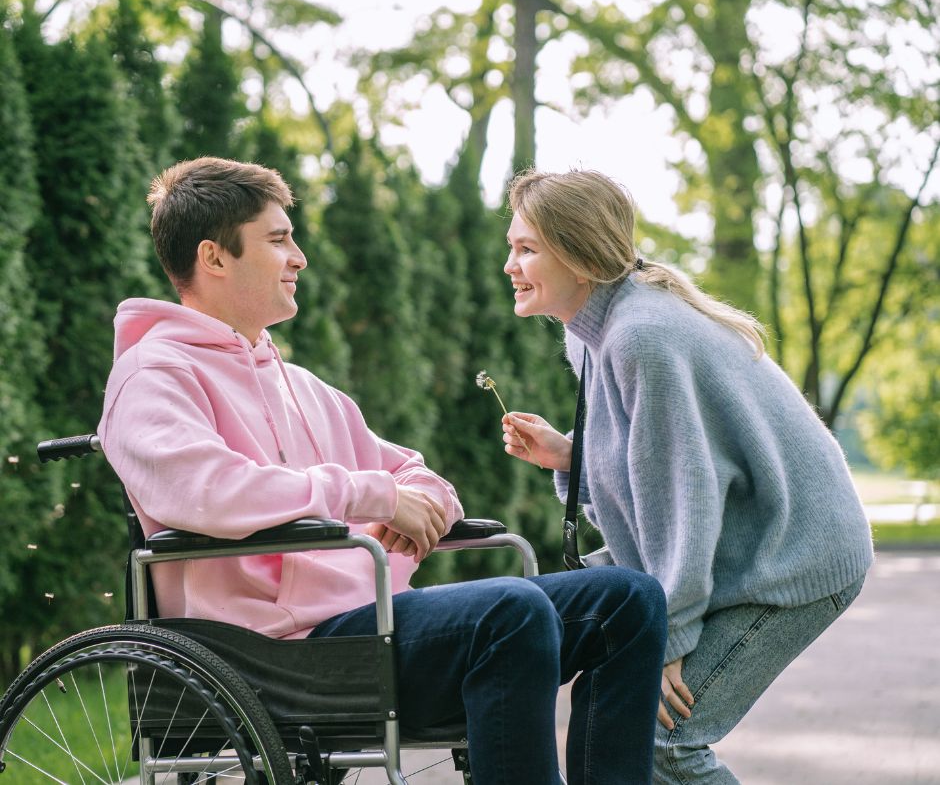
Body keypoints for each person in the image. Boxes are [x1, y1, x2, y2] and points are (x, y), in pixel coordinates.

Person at [97, 157, 668, 785]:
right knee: (509, 611)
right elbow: (203, 490)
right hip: (270, 651)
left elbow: (416, 475)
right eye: (279, 238)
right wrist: (371, 495)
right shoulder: (154, 373)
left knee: (628, 599)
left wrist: (415, 501)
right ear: (214, 257)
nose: (300, 257)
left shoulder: (303, 387)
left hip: (369, 623)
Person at [500, 168, 873, 784]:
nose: (510, 265)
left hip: (793, 558)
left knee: (660, 743)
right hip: (741, 548)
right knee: (603, 711)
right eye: (512, 246)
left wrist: (668, 636)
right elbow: (651, 469)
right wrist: (570, 456)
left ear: (579, 255)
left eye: (526, 249)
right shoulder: (594, 335)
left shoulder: (643, 336)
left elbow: (685, 499)